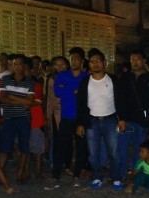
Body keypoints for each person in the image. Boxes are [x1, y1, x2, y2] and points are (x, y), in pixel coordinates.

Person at [76, 48, 121, 190]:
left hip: (110, 119)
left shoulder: (113, 79)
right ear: (89, 64)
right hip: (92, 121)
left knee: (114, 151)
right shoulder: (85, 82)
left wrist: (122, 119)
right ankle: (97, 177)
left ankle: (116, 178)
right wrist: (80, 124)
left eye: (98, 61)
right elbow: (81, 104)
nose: (95, 64)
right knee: (93, 153)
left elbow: (121, 101)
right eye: (92, 62)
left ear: (104, 63)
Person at [46, 48, 88, 189]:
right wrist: (75, 91)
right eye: (71, 58)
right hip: (66, 116)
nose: (73, 61)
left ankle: (77, 175)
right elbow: (58, 92)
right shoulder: (62, 76)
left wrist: (71, 90)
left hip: (81, 117)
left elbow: (85, 94)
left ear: (82, 61)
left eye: (76, 58)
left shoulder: (86, 76)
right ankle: (55, 176)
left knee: (81, 148)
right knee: (60, 147)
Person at [117, 50, 149, 179]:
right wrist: (121, 118)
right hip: (127, 120)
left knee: (140, 151)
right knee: (122, 149)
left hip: (142, 121)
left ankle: (136, 175)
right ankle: (121, 175)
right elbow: (119, 99)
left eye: (137, 59)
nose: (135, 62)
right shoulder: (125, 78)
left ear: (144, 61)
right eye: (132, 60)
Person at [0, 54, 35, 184]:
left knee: (23, 147)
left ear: (24, 66)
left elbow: (29, 103)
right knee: (5, 147)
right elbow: (2, 98)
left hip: (23, 118)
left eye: (19, 64)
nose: (17, 67)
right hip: (8, 118)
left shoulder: (29, 82)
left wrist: (12, 97)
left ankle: (20, 173)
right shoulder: (5, 79)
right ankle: (0, 174)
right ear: (11, 66)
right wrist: (22, 101)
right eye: (14, 64)